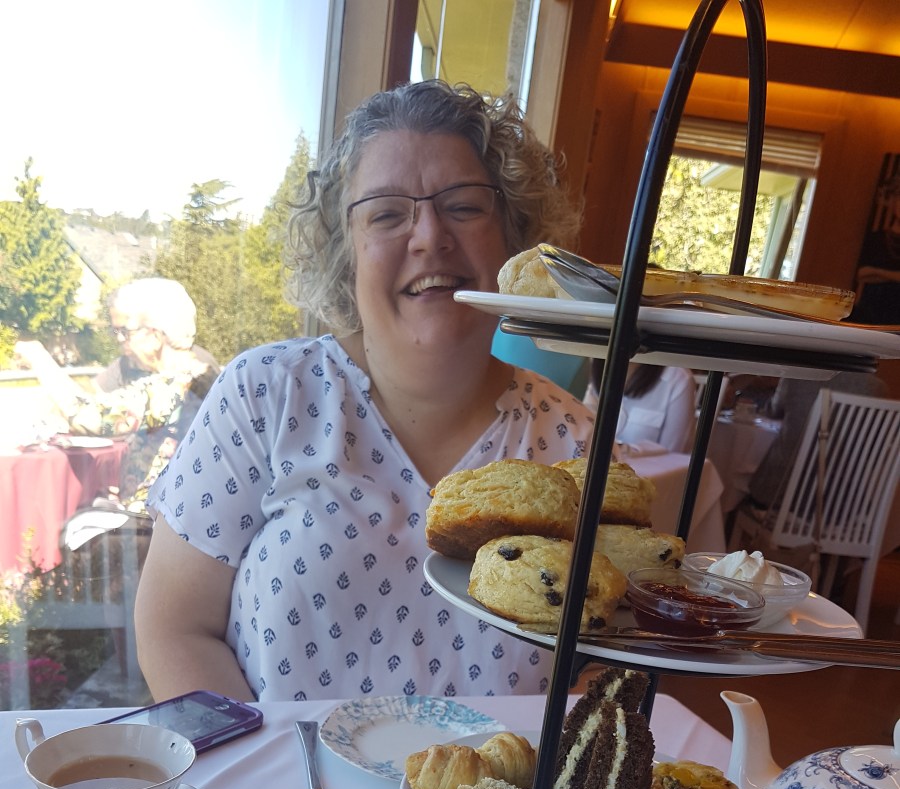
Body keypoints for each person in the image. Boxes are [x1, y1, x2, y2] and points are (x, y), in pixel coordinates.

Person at [134, 80, 593, 703]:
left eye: (464, 207)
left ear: (515, 239)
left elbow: (605, 663)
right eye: (386, 214)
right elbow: (174, 629)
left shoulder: (578, 447)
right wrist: (269, 766)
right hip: (283, 770)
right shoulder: (265, 396)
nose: (429, 236)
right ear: (344, 256)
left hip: (505, 774)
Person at [65, 278, 220, 512]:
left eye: (127, 332)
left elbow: (89, 418)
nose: (120, 339)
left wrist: (38, 358)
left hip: (159, 520)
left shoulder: (173, 386)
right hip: (172, 514)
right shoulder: (196, 373)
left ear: (155, 337)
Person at [745, 369, 889, 511]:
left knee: (742, 490)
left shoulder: (797, 375)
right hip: (840, 503)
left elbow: (773, 411)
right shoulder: (876, 388)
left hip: (779, 493)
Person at [585, 361, 697, 452]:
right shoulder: (602, 367)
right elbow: (584, 433)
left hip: (647, 473)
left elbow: (672, 456)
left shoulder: (677, 378)